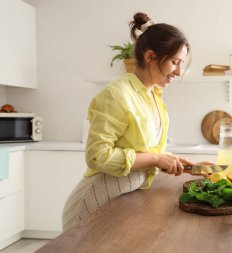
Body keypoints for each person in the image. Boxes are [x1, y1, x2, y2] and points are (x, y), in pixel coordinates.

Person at [62, 12, 203, 230]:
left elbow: (143, 151)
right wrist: (156, 159)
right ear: (150, 57)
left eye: (181, 64)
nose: (178, 71)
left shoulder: (153, 96)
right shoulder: (116, 95)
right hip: (93, 205)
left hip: (122, 202)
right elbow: (97, 157)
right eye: (175, 62)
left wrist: (174, 161)